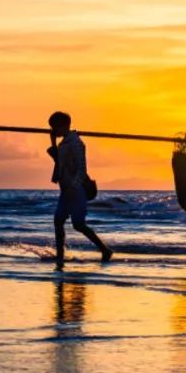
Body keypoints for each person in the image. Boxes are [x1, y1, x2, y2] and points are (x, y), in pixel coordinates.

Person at [47, 111, 112, 267]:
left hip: (76, 190)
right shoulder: (63, 143)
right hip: (65, 189)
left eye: (55, 127)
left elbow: (82, 169)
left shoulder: (76, 143)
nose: (54, 130)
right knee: (58, 221)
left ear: (64, 125)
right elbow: (60, 163)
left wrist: (73, 187)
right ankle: (60, 256)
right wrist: (53, 142)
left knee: (78, 224)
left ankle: (105, 250)